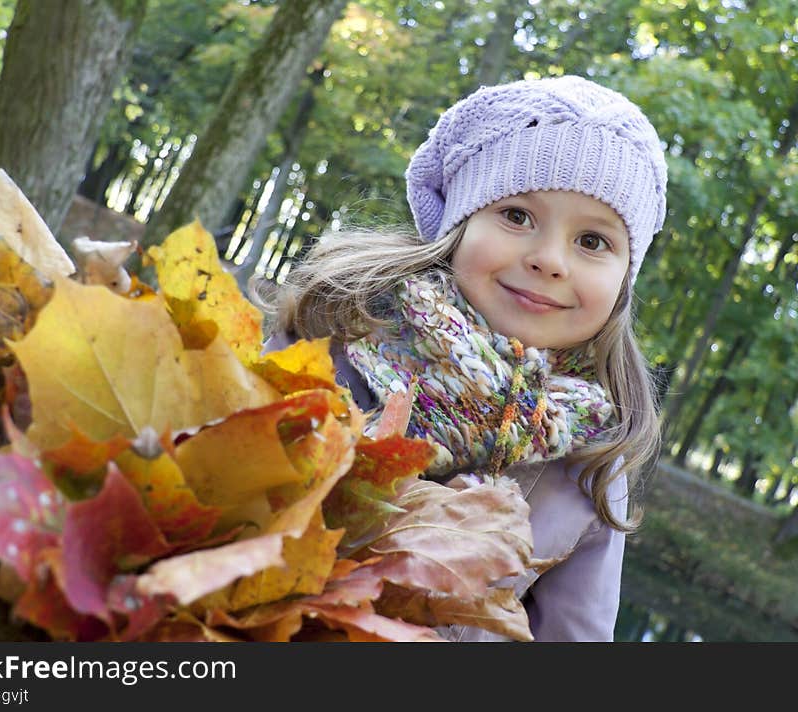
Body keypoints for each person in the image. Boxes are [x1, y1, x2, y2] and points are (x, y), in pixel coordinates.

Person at [260, 75, 667, 641]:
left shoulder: (594, 460)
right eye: (518, 216)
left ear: (624, 278)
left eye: (593, 242)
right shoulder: (337, 333)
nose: (550, 260)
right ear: (461, 221)